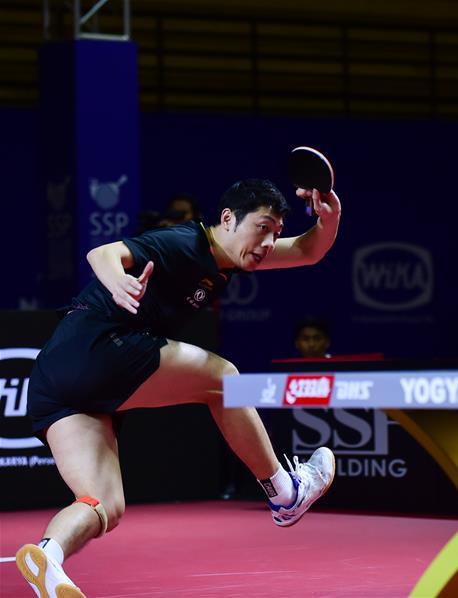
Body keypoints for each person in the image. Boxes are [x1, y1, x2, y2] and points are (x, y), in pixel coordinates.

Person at [16, 179, 341, 597]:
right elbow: (102, 253)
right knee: (224, 380)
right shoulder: (186, 243)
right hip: (99, 346)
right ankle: (284, 493)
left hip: (54, 379)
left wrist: (330, 216)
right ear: (228, 219)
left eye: (275, 233)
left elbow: (308, 250)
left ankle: (49, 557)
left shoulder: (235, 255)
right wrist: (119, 282)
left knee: (102, 504)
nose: (268, 243)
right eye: (262, 228)